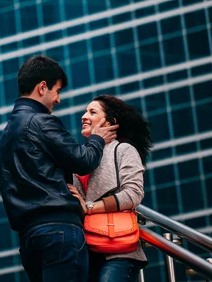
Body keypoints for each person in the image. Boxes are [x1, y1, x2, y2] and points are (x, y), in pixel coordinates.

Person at [0, 55, 119, 281]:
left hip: (29, 240)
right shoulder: (40, 121)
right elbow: (82, 160)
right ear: (42, 87)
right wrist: (98, 139)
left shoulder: (4, 139)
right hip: (59, 231)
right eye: (57, 91)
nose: (58, 100)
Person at [67, 95, 152, 282]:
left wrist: (89, 207)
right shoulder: (81, 155)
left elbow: (134, 193)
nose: (84, 116)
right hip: (87, 250)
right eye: (85, 111)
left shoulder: (123, 150)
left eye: (92, 112)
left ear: (110, 122)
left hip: (119, 249)